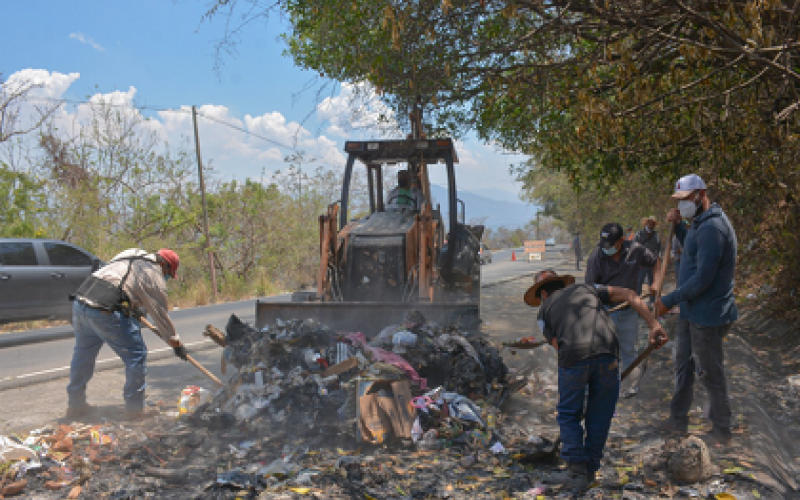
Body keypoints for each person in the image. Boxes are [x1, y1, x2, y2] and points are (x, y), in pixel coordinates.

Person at [526, 270, 666, 490]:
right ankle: (589, 469)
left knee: (568, 414)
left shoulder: (544, 311)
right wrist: (654, 325)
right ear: (562, 285)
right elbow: (630, 295)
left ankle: (575, 471)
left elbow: (558, 345)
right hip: (609, 354)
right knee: (599, 414)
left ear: (543, 293)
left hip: (574, 357)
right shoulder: (587, 289)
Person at [655, 174, 738, 445]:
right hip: (691, 310)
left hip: (708, 314)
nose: (682, 206)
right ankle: (678, 419)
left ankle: (722, 429)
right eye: (678, 202)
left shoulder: (714, 228)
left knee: (709, 371)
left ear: (701, 195)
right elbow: (691, 251)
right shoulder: (698, 224)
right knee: (683, 366)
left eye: (685, 201)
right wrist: (679, 227)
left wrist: (670, 300)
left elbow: (704, 278)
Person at [66, 248, 187, 420]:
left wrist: (132, 305)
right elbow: (160, 315)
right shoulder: (153, 274)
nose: (166, 276)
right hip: (105, 311)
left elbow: (119, 280)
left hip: (81, 304)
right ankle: (134, 409)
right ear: (164, 265)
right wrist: (176, 344)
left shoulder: (131, 252)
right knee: (136, 356)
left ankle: (75, 405)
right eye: (168, 273)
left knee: (83, 355)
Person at [584, 222, 660, 373]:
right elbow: (589, 289)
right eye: (604, 244)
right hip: (606, 312)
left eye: (610, 244)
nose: (606, 248)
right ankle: (603, 385)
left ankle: (629, 384)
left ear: (622, 240)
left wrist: (656, 282)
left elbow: (655, 261)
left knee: (629, 350)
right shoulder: (596, 257)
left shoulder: (636, 250)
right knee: (603, 352)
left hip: (629, 310)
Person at [634, 216, 662, 295]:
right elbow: (635, 249)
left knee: (652, 282)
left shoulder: (656, 235)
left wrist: (659, 258)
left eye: (653, 224)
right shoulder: (639, 234)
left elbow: (659, 248)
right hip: (642, 262)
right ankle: (637, 299)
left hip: (652, 262)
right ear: (646, 223)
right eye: (650, 223)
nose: (652, 225)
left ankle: (652, 301)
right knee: (639, 281)